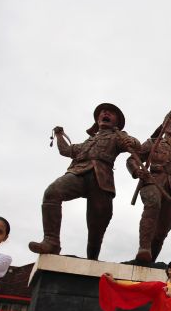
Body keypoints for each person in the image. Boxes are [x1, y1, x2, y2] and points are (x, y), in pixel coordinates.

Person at [29, 102, 140, 260]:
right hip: (79, 173)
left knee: (97, 228)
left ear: (116, 122)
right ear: (97, 120)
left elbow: (137, 146)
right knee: (52, 192)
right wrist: (60, 135)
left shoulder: (118, 137)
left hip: (102, 180)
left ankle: (92, 259)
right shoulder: (88, 142)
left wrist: (130, 142)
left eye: (110, 113)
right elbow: (66, 150)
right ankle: (51, 241)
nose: (105, 113)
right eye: (102, 112)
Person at [127, 111, 171, 263]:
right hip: (152, 182)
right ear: (164, 124)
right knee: (153, 203)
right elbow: (132, 158)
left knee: (161, 232)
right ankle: (144, 249)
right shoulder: (153, 143)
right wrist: (136, 170)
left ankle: (150, 259)